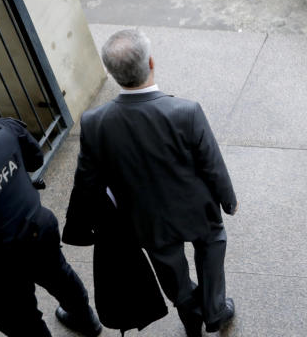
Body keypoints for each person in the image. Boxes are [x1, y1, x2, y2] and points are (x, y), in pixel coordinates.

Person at [64, 29, 238, 337]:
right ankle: (215, 310)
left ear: (113, 73)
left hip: (146, 220)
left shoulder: (95, 123)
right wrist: (228, 200)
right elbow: (212, 165)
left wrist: (78, 226)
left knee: (171, 270)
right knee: (212, 249)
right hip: (198, 210)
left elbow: (86, 180)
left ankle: (190, 314)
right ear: (151, 63)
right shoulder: (186, 111)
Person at [0, 87, 101, 337]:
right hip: (39, 227)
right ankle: (86, 320)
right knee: (61, 277)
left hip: (3, 264)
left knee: (20, 319)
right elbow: (36, 159)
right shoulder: (3, 128)